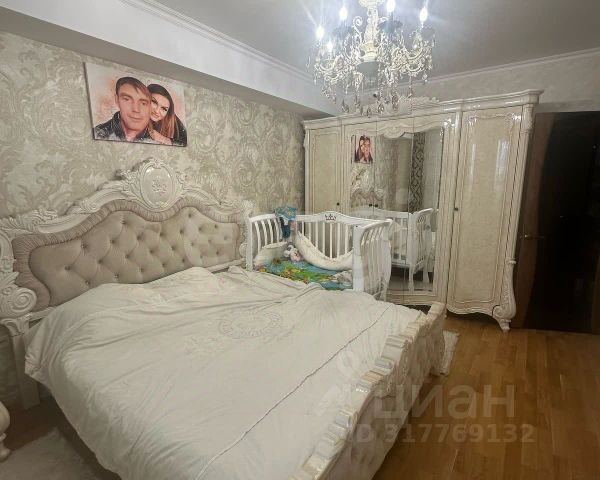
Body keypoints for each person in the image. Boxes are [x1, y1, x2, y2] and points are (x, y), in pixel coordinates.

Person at [93, 77, 157, 143]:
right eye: (126, 99)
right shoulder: (98, 133)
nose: (136, 109)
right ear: (117, 100)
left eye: (143, 103)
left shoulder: (157, 138)